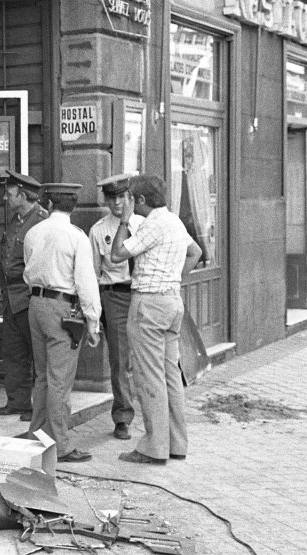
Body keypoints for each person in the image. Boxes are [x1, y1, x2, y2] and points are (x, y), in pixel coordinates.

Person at [110, 174, 202, 465]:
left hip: (148, 303)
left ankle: (153, 447)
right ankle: (176, 443)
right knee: (170, 375)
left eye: (130, 198)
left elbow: (117, 254)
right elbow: (195, 251)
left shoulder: (152, 224)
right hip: (172, 301)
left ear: (141, 200)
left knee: (148, 376)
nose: (126, 203)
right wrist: (173, 280)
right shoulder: (174, 220)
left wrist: (124, 222)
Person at [20, 182, 102, 463]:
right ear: (73, 206)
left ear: (48, 204)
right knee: (60, 380)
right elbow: (86, 283)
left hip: (36, 303)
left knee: (42, 375)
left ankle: (37, 437)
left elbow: (27, 271)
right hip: (62, 307)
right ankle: (60, 445)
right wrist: (93, 322)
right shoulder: (76, 236)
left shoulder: (33, 232)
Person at [89, 173, 144, 441]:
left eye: (122, 197)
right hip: (116, 297)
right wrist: (96, 312)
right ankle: (123, 417)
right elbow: (94, 274)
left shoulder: (145, 225)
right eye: (111, 198)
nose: (117, 203)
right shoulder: (99, 230)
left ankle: (158, 413)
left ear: (131, 198)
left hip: (144, 295)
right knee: (120, 361)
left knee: (150, 358)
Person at [0, 171, 49, 421]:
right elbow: (5, 255)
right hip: (11, 296)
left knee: (37, 354)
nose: (5, 197)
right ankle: (18, 402)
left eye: (9, 193)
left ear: (22, 195)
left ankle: (38, 407)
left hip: (29, 295)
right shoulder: (15, 221)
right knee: (13, 351)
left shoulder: (42, 221)